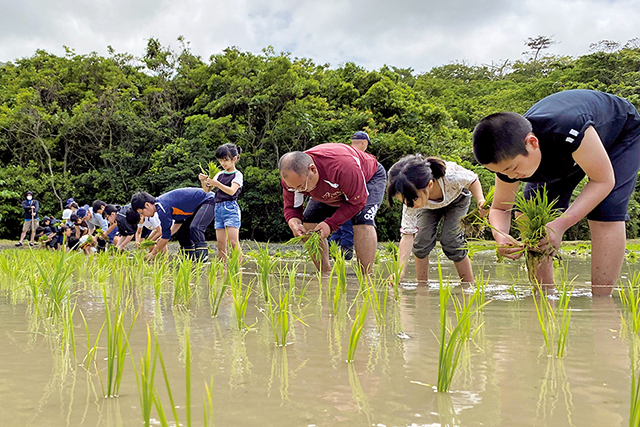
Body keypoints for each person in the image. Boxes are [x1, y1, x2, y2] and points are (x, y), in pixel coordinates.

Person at [472, 89, 640, 296]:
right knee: (532, 211)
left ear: (532, 142)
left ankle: (602, 299)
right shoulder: (508, 158)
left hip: (620, 133)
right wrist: (500, 236)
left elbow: (603, 181)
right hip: (566, 151)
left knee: (606, 209)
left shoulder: (566, 128)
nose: (511, 177)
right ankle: (544, 295)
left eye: (512, 169)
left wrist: (560, 225)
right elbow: (500, 207)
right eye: (501, 173)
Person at [279, 142, 386, 273]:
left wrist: (330, 225)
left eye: (301, 186)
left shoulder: (342, 166)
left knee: (362, 219)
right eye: (293, 188)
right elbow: (291, 207)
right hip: (328, 190)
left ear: (313, 169)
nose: (299, 191)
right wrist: (293, 222)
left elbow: (357, 202)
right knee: (309, 222)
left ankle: (365, 278)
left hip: (367, 178)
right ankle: (324, 274)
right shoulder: (292, 179)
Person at [387, 154, 487, 283]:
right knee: (421, 240)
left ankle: (468, 284)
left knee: (451, 240)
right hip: (427, 206)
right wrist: (399, 273)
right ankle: (422, 285)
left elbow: (473, 180)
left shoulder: (451, 177)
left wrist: (480, 200)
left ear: (429, 185)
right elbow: (407, 236)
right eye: (405, 202)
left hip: (457, 199)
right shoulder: (412, 202)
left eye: (412, 200)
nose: (410, 205)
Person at [131, 177, 215, 261]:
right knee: (182, 233)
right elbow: (179, 221)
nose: (143, 215)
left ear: (147, 205)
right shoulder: (162, 205)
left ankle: (203, 260)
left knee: (196, 227)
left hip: (208, 200)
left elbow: (165, 238)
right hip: (196, 208)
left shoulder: (162, 208)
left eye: (141, 212)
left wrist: (152, 254)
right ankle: (190, 260)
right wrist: (166, 236)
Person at [328, 131, 371, 260]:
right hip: (351, 200)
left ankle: (330, 253)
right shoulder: (362, 158)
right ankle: (346, 258)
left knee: (340, 228)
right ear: (364, 143)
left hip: (336, 198)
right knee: (348, 229)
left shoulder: (343, 154)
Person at [203, 143, 244, 262]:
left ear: (234, 159)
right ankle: (223, 270)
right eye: (221, 160)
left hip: (230, 208)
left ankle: (238, 268)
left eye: (225, 160)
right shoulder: (220, 174)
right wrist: (203, 181)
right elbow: (207, 190)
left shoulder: (237, 175)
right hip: (218, 208)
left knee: (233, 242)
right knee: (221, 245)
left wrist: (217, 184)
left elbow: (232, 191)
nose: (223, 163)